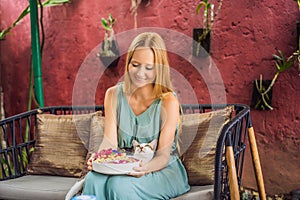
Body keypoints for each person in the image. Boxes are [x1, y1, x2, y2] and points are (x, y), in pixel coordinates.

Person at [82, 32, 190, 199]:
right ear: (128, 64)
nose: (140, 73)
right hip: (124, 165)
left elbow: (163, 156)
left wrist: (143, 168)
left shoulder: (168, 101)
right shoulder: (113, 95)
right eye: (135, 65)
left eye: (149, 67)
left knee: (119, 187)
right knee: (92, 180)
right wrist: (100, 158)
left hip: (161, 168)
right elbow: (109, 142)